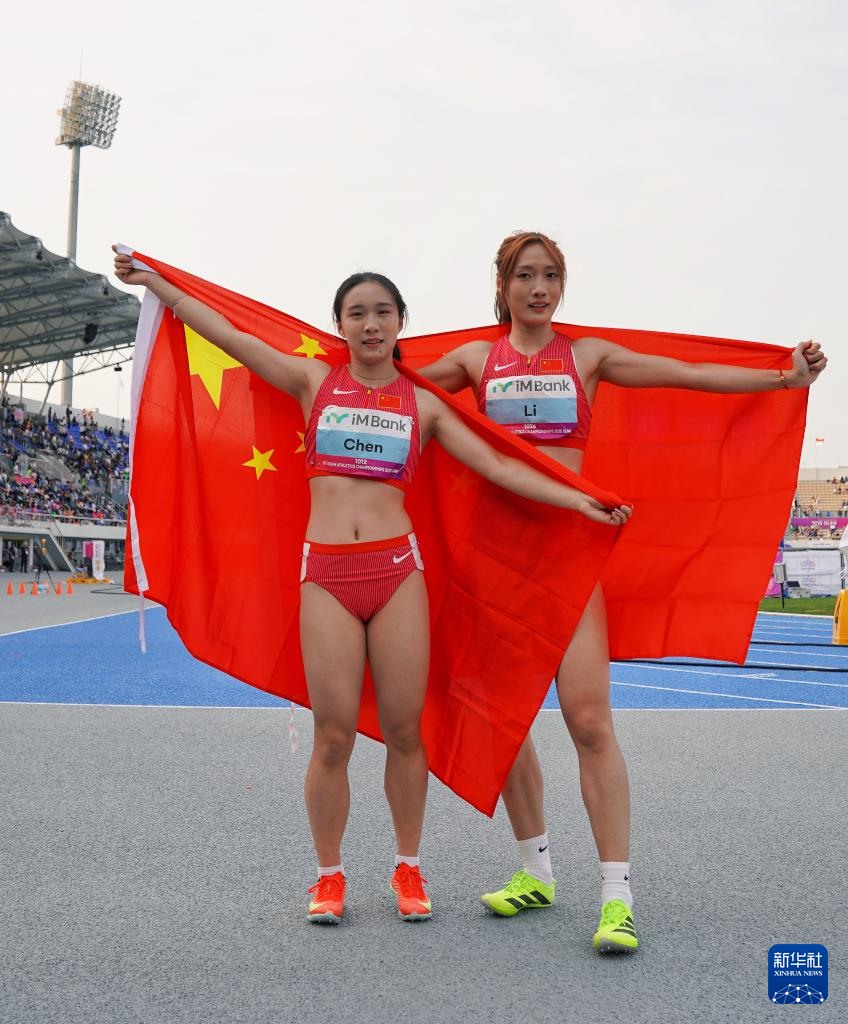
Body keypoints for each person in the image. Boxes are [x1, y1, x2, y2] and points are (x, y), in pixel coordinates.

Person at [113, 248, 631, 927]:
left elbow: (500, 467)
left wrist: (580, 499)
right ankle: (329, 877)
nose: (370, 324)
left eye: (383, 312)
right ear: (340, 325)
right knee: (332, 737)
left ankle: (407, 867)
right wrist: (160, 285)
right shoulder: (312, 381)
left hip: (397, 574)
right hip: (327, 575)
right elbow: (233, 338)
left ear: (400, 323)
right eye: (356, 314)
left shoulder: (424, 404)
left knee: (405, 732)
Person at [418, 230, 828, 952]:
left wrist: (781, 378)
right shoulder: (475, 361)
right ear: (503, 286)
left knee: (590, 722)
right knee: (502, 718)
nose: (539, 288)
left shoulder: (588, 357)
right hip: (497, 563)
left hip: (571, 557)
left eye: (550, 275)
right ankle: (535, 870)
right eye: (525, 276)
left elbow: (684, 373)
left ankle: (617, 896)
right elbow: (380, 387)